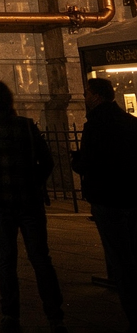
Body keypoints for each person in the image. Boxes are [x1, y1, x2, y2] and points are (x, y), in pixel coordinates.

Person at [0, 80, 65, 333]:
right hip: (29, 200)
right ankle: (55, 315)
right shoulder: (26, 125)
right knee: (40, 258)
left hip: (0, 200)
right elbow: (46, 160)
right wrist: (34, 181)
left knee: (6, 259)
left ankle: (10, 313)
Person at [73, 76, 137, 330]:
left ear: (97, 96)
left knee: (120, 259)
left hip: (107, 198)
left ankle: (133, 311)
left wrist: (75, 162)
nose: (85, 98)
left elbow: (88, 162)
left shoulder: (95, 125)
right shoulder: (131, 123)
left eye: (87, 93)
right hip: (132, 195)